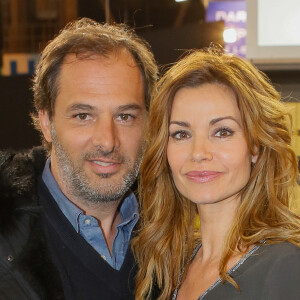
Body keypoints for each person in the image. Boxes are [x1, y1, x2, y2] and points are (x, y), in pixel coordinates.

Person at [0, 18, 157, 299]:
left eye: (125, 116)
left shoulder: (176, 239)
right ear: (46, 122)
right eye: (83, 116)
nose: (107, 141)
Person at [133, 49, 300, 300]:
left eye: (222, 132)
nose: (198, 153)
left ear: (255, 145)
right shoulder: (165, 267)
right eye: (181, 134)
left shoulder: (285, 266)